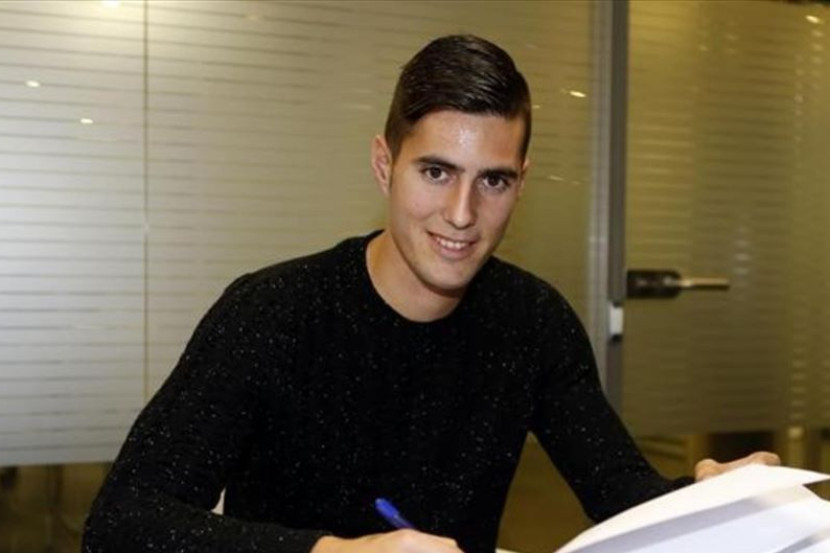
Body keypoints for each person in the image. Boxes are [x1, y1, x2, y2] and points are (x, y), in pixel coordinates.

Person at [82, 34, 778, 553]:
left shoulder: (533, 322)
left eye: (493, 180)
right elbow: (123, 522)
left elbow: (622, 496)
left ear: (521, 182)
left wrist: (709, 494)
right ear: (385, 164)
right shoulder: (273, 313)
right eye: (437, 172)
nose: (462, 214)